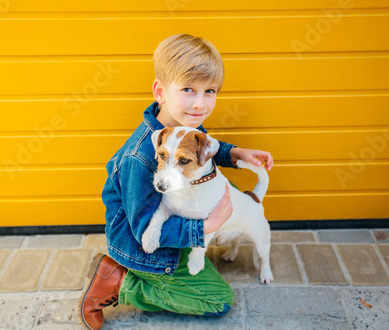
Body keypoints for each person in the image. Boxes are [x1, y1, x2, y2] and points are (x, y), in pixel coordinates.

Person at [79, 33, 273, 330]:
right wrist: (203, 228)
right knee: (218, 301)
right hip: (144, 244)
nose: (200, 103)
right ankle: (119, 282)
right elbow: (143, 228)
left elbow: (202, 148)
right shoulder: (139, 158)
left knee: (224, 189)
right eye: (188, 89)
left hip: (174, 208)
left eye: (210, 91)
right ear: (160, 91)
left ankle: (193, 241)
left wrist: (235, 153)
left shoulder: (183, 124)